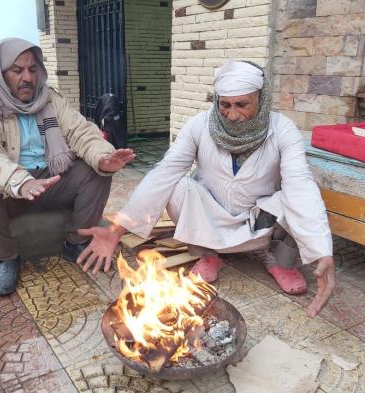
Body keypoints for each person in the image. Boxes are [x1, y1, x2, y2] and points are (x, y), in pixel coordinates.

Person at [76, 59, 335, 317]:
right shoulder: (199, 125)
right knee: (175, 185)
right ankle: (209, 254)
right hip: (214, 216)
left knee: (297, 193)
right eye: (225, 105)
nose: (232, 115)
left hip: (260, 218)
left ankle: (279, 260)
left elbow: (299, 183)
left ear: (261, 99)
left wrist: (321, 250)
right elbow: (165, 173)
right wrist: (117, 229)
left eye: (242, 105)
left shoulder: (282, 129)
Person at [0, 38, 134, 296]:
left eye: (32, 69)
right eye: (17, 70)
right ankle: (5, 259)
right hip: (10, 188)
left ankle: (76, 243)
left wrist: (102, 156)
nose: (27, 77)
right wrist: (20, 181)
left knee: (96, 171)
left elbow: (79, 130)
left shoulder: (48, 97)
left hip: (52, 180)